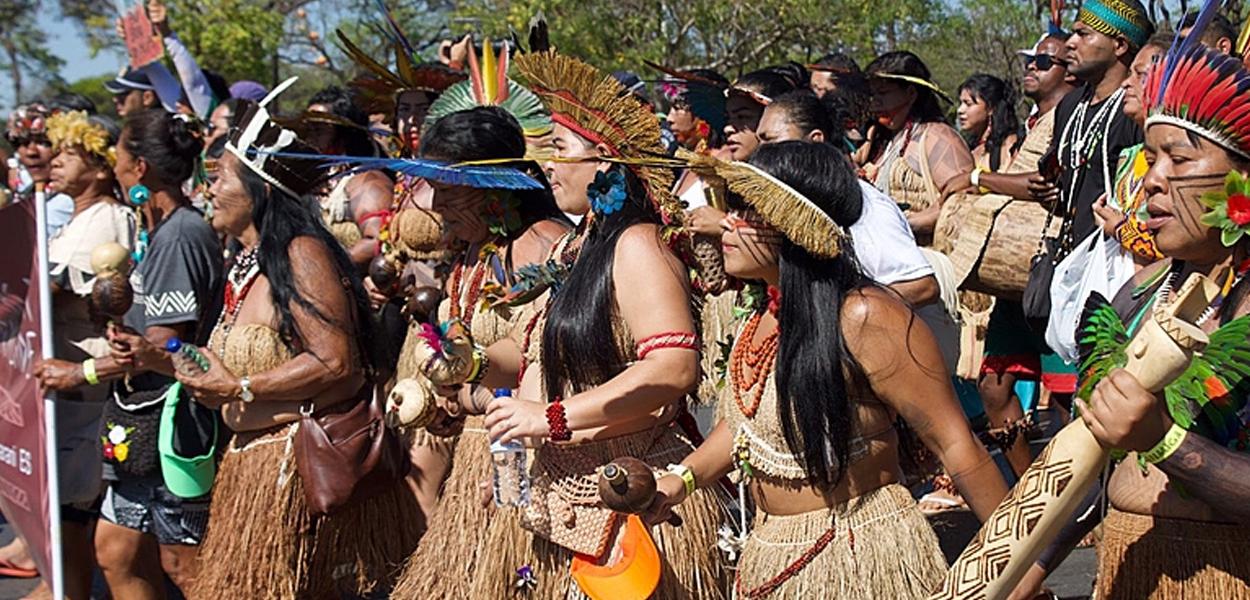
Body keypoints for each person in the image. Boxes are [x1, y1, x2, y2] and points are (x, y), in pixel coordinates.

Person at [645, 141, 1008, 598]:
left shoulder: (866, 317)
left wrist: (1018, 565)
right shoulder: (759, 316)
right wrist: (683, 479)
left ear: (793, 223)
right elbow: (744, 428)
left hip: (863, 558)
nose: (727, 226)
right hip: (769, 556)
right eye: (731, 210)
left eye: (746, 212)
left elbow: (956, 445)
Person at [468, 50, 727, 599]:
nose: (549, 167)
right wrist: (469, 361)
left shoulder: (638, 246)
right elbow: (534, 347)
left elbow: (674, 367)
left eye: (559, 150)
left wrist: (551, 418)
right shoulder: (575, 245)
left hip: (627, 497)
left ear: (605, 161)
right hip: (560, 495)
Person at [1017, 43, 1250, 600]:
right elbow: (1094, 467)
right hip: (1131, 572)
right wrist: (1024, 572)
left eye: (1180, 159)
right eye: (1151, 157)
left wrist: (1164, 440)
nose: (1152, 180)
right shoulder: (1140, 291)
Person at [175, 88, 421, 599]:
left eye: (219, 176)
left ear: (259, 189)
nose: (206, 189)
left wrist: (241, 385)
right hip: (250, 470)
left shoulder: (301, 252)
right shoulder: (247, 263)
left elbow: (337, 363)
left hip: (298, 476)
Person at [390, 105, 570, 600]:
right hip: (474, 461)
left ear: (493, 186)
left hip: (529, 464)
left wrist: (467, 399)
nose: (435, 203)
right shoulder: (472, 251)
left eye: (447, 189)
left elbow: (555, 370)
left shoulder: (548, 248)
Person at [74, 109, 221, 599]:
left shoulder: (180, 235)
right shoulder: (157, 231)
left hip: (169, 428)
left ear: (139, 168)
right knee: (116, 552)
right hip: (140, 424)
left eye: (117, 157)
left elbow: (163, 346)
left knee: (185, 567)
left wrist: (81, 372)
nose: (112, 168)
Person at [30, 111, 132, 600]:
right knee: (62, 507)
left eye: (69, 154)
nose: (55, 161)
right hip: (62, 380)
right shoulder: (74, 218)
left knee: (74, 510)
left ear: (100, 167)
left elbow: (48, 290)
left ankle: (68, 593)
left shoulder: (106, 219)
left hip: (86, 382)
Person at [755, 90, 939, 308]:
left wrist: (842, 318)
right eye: (759, 141)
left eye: (772, 141)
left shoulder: (865, 204)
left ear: (815, 141)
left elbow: (922, 286)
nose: (762, 151)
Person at [861, 51, 975, 243]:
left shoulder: (938, 138)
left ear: (911, 94)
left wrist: (906, 224)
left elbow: (963, 200)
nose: (876, 101)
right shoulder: (884, 141)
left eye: (883, 93)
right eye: (873, 94)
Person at [1091, 33, 1173, 266]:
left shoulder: (1185, 160)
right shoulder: (1129, 156)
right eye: (1129, 74)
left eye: (1141, 75)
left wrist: (1121, 229)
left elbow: (1187, 243)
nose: (1127, 83)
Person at [301, 86, 396, 270]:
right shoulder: (313, 177)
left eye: (320, 126)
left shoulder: (368, 180)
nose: (311, 132)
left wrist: (323, 269)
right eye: (308, 125)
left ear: (344, 131)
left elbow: (377, 241)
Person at [6, 103, 76, 237]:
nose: (31, 152)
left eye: (43, 143)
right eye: (22, 143)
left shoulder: (73, 200)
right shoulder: (23, 194)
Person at [957, 74, 1022, 174]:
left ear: (991, 108)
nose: (960, 110)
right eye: (960, 103)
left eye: (968, 104)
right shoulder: (967, 147)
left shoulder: (1008, 146)